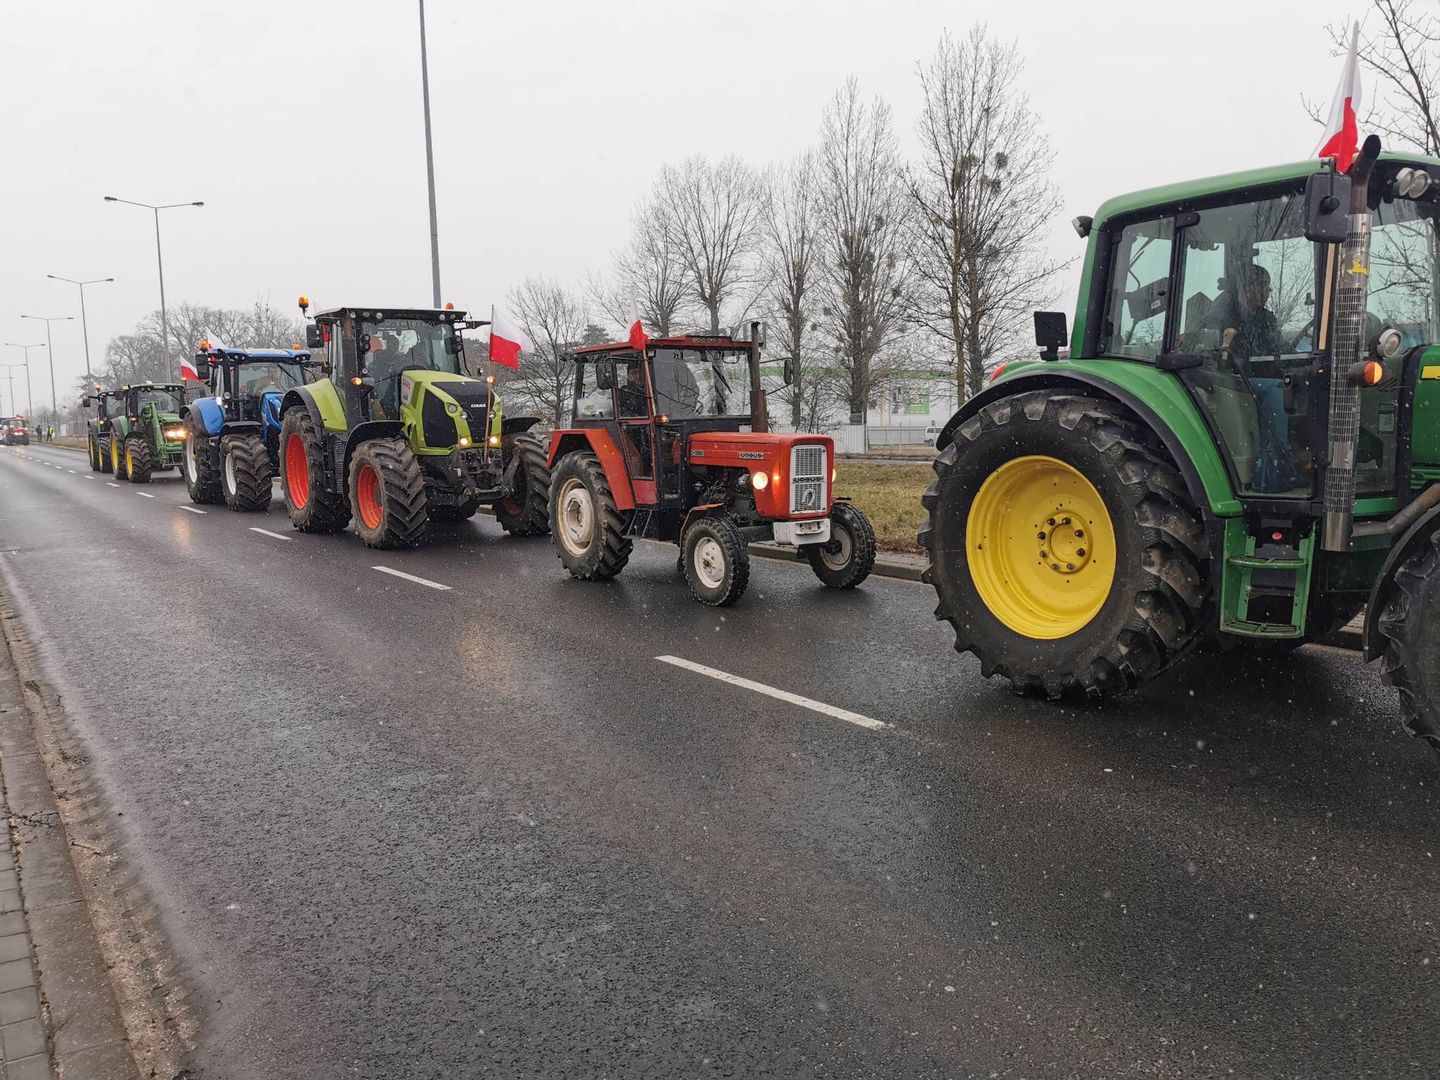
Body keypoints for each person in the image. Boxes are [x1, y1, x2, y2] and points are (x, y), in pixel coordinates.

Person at [1205, 264, 1283, 367]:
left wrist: (1301, 360)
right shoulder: (1223, 314)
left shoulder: (1266, 318)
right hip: (1234, 378)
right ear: (1247, 288)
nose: (1267, 291)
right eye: (1262, 286)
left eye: (1267, 288)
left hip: (1262, 375)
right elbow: (1219, 356)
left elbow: (1278, 345)